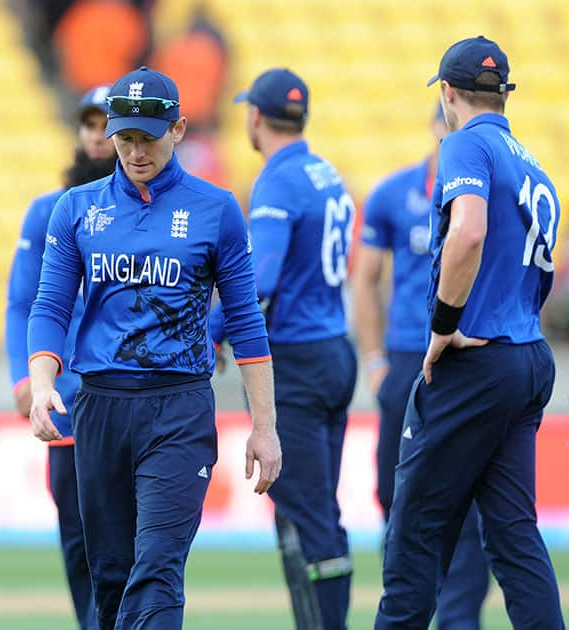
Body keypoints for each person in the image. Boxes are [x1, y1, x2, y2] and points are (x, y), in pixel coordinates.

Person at [28, 66, 281, 630]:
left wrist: (264, 426)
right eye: (125, 137)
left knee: (158, 568)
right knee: (112, 577)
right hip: (100, 407)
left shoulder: (216, 210)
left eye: (149, 136)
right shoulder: (76, 209)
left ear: (179, 129)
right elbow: (48, 306)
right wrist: (44, 382)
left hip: (179, 408)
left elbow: (245, 322)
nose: (136, 150)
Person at [376, 36, 564, 629]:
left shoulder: (462, 145)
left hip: (476, 359)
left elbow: (469, 233)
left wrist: (442, 325)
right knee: (514, 540)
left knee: (413, 531)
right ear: (503, 95)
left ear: (449, 93)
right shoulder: (532, 162)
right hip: (527, 356)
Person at [355, 107, 490, 628]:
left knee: (469, 498)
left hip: (465, 352)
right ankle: (411, 603)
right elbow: (366, 279)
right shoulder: (393, 194)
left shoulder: (485, 193)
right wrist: (374, 360)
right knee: (394, 491)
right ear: (436, 127)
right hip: (408, 357)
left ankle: (459, 619)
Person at [234, 68, 357, 630]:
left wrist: (206, 331)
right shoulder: (325, 172)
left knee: (308, 517)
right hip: (335, 347)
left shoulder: (278, 180)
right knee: (311, 508)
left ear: (255, 117)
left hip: (300, 361)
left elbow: (258, 281)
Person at [5, 85, 116, 630]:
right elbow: (21, 302)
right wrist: (20, 375)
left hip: (127, 400)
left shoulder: (151, 211)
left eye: (107, 123)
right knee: (78, 543)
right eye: (89, 123)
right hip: (67, 403)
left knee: (133, 543)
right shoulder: (47, 212)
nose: (98, 134)